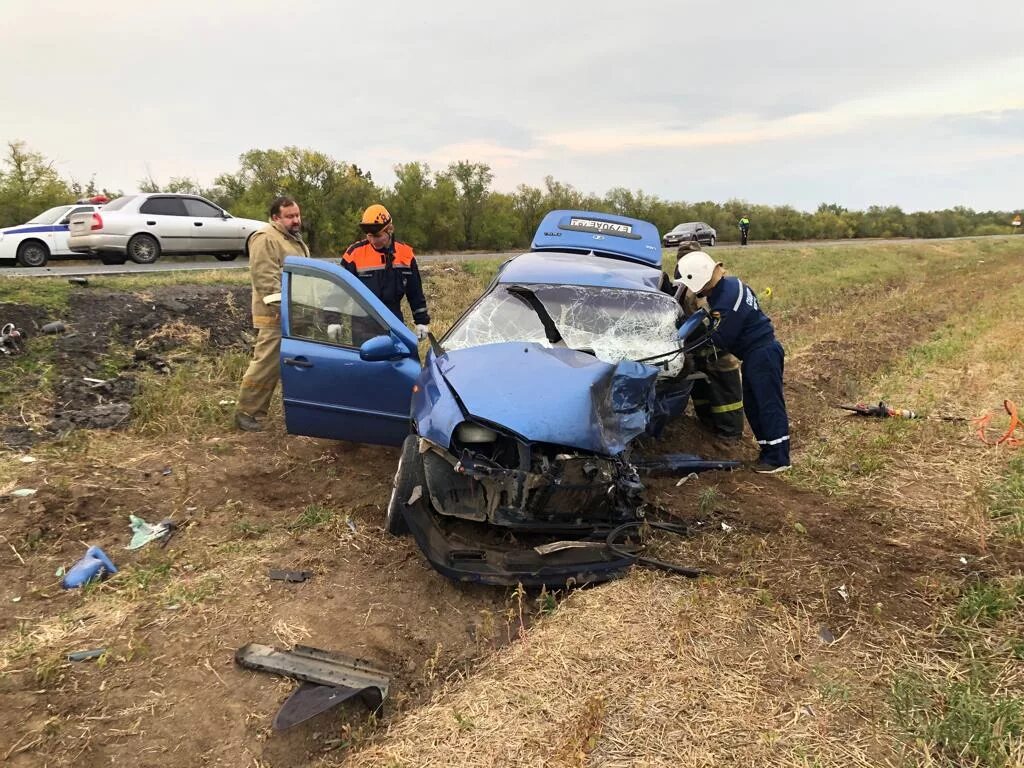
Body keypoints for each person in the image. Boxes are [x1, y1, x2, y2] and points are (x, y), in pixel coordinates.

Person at [674, 250, 790, 473]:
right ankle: (768, 452)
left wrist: (687, 345)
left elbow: (721, 338)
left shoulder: (727, 302)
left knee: (768, 404)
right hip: (758, 353)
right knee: (755, 404)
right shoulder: (731, 285)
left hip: (762, 353)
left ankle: (779, 458)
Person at [234, 196, 309, 432]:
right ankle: (247, 412)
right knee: (266, 364)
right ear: (276, 217)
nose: (295, 220)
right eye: (290, 216)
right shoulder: (266, 238)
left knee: (301, 363)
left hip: (296, 313)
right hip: (276, 316)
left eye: (297, 215)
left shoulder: (290, 239)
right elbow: (266, 281)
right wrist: (284, 312)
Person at [669, 242, 744, 439]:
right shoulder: (682, 285)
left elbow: (715, 320)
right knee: (704, 396)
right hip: (698, 353)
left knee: (727, 399)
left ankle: (730, 437)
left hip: (718, 354)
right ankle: (711, 432)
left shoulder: (703, 288)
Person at [341, 205, 430, 342]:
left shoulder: (405, 254)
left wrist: (421, 321)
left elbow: (415, 292)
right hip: (362, 327)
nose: (373, 241)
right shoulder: (354, 254)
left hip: (394, 322)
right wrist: (332, 320)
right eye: (369, 236)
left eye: (377, 236)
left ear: (390, 230)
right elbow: (339, 290)